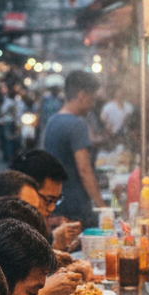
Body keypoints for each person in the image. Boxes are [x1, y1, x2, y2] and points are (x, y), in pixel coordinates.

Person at [40, 71, 105, 231]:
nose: (93, 105)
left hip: (57, 203)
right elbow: (84, 171)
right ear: (82, 95)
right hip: (76, 206)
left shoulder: (52, 121)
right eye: (92, 99)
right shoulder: (77, 124)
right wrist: (102, 207)